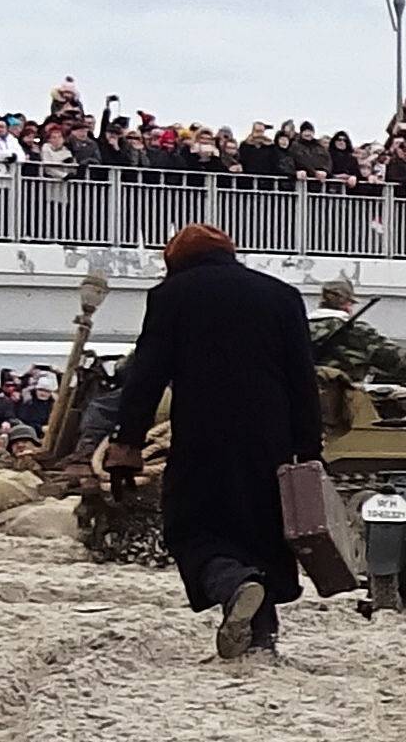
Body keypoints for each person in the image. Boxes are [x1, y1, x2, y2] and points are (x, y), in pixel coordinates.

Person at [103, 225, 322, 659]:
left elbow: (147, 376)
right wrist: (309, 452)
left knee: (191, 527)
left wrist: (127, 444)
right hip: (270, 439)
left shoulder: (172, 296)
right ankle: (259, 639)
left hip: (203, 436)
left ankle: (233, 584)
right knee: (261, 531)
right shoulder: (282, 296)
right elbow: (303, 382)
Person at [305, 279, 406, 385]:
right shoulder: (354, 331)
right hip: (339, 406)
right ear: (347, 304)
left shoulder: (301, 328)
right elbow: (396, 357)